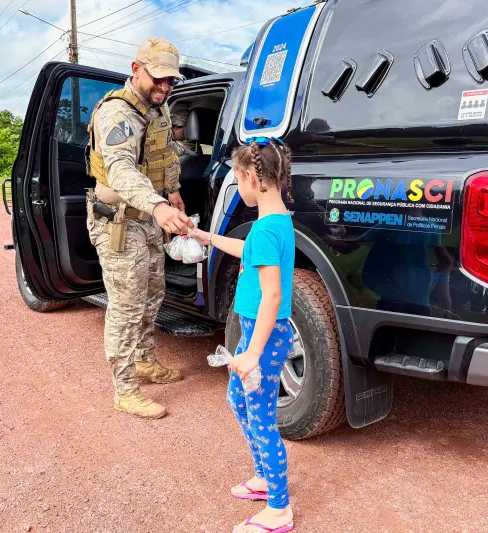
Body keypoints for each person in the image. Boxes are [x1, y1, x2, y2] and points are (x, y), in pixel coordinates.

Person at [189, 137, 297, 533]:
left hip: (263, 339)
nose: (238, 186)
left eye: (237, 179)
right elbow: (248, 248)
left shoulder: (269, 230)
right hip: (256, 333)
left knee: (263, 418)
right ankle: (264, 477)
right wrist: (208, 238)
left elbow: (272, 296)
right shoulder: (273, 223)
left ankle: (279, 508)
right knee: (239, 402)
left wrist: (251, 352)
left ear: (252, 177)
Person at [85, 37, 193, 419]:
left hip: (147, 220)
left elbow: (166, 154)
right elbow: (121, 170)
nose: (165, 86)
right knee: (126, 306)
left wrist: (174, 191)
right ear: (136, 70)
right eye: (158, 78)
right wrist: (158, 204)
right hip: (119, 223)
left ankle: (145, 361)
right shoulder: (118, 113)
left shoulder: (157, 109)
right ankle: (125, 389)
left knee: (153, 295)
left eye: (171, 80)